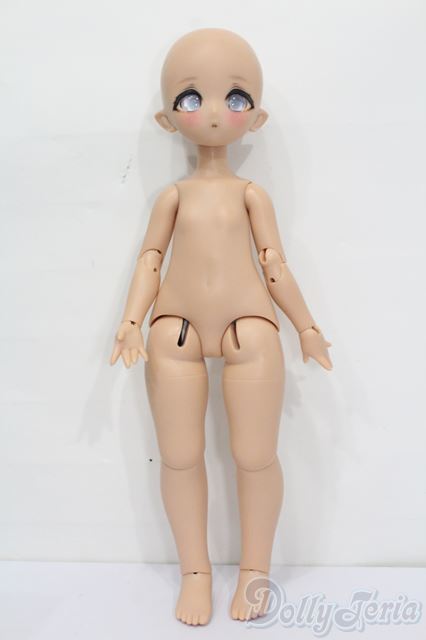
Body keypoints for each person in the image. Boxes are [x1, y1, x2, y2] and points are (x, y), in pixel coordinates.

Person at [110, 27, 333, 626]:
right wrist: (130, 321)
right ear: (167, 118)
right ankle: (195, 573)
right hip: (173, 330)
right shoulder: (172, 197)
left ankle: (255, 571)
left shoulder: (252, 194)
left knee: (255, 455)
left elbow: (274, 263)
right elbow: (150, 260)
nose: (212, 112)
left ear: (256, 117)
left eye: (235, 98)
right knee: (179, 456)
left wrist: (306, 326)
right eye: (191, 98)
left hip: (249, 328)